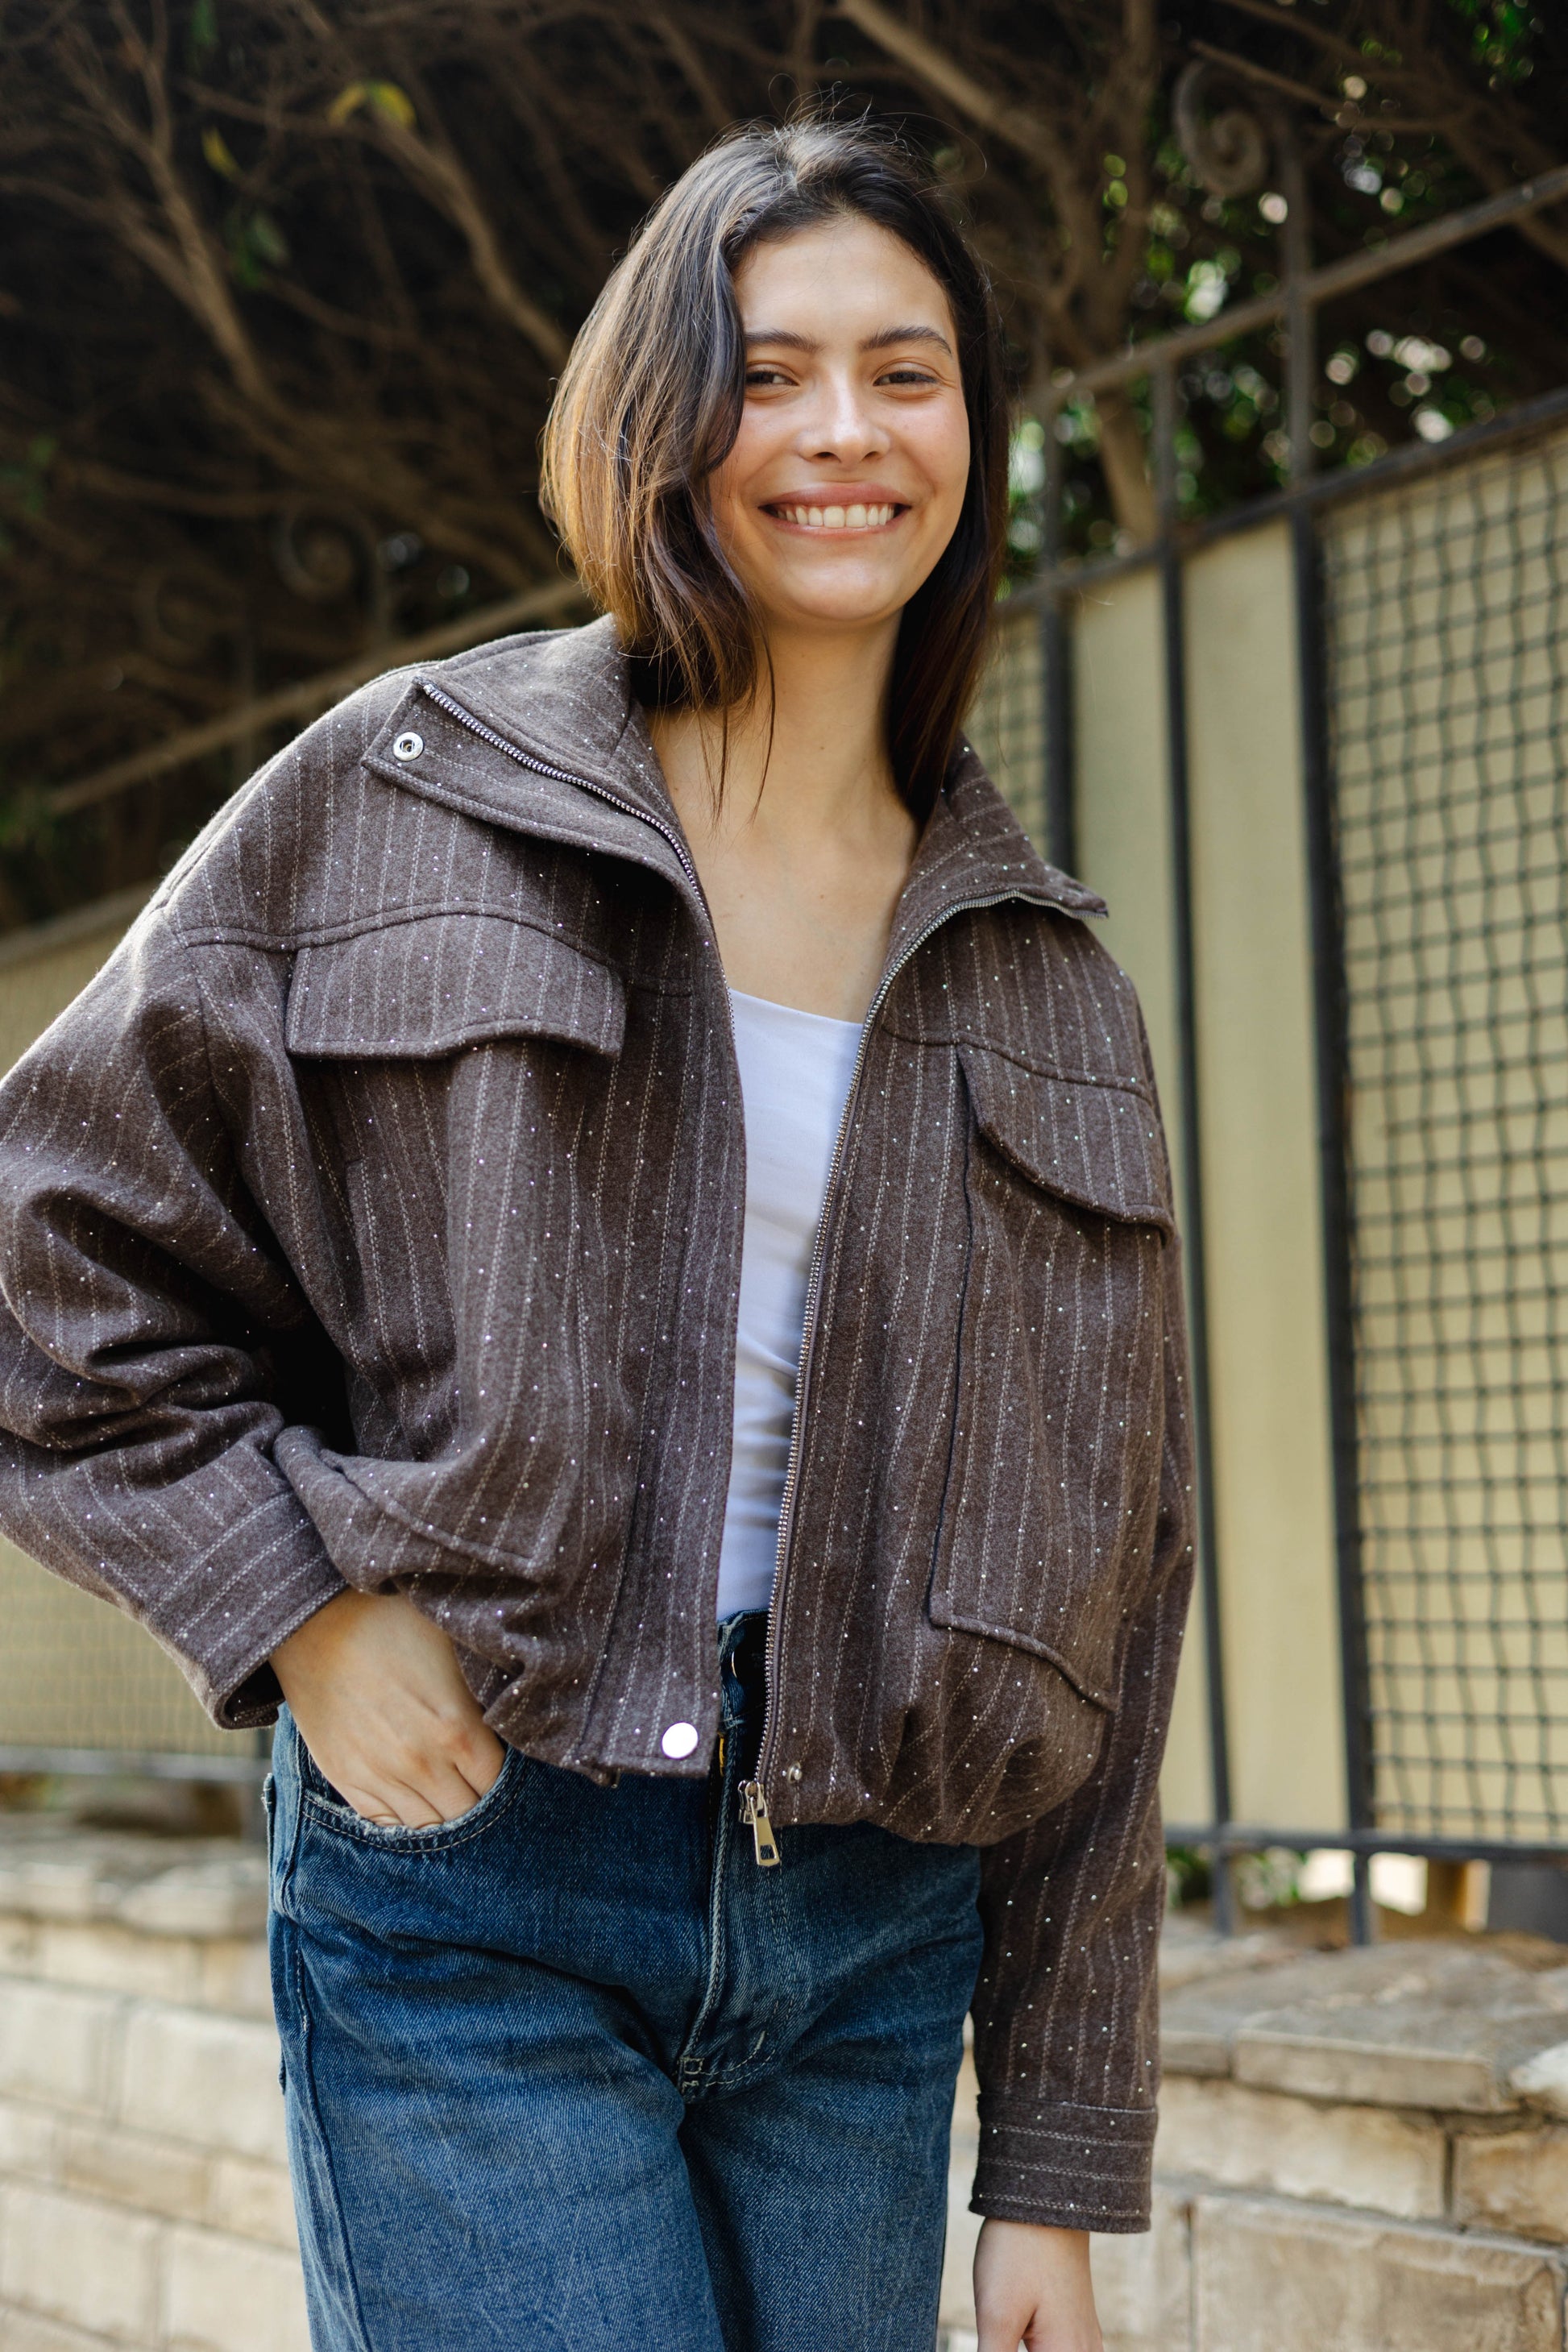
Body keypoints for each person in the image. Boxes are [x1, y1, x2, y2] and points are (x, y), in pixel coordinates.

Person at [0, 114, 1193, 2352]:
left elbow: (1114, 1585)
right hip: (483, 1867)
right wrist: (292, 1608)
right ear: (659, 418)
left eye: (907, 373)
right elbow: (40, 1254)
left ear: (973, 432)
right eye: (768, 371)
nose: (843, 431)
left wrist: (1051, 2157)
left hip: (875, 1935)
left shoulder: (1048, 984)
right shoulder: (406, 794)